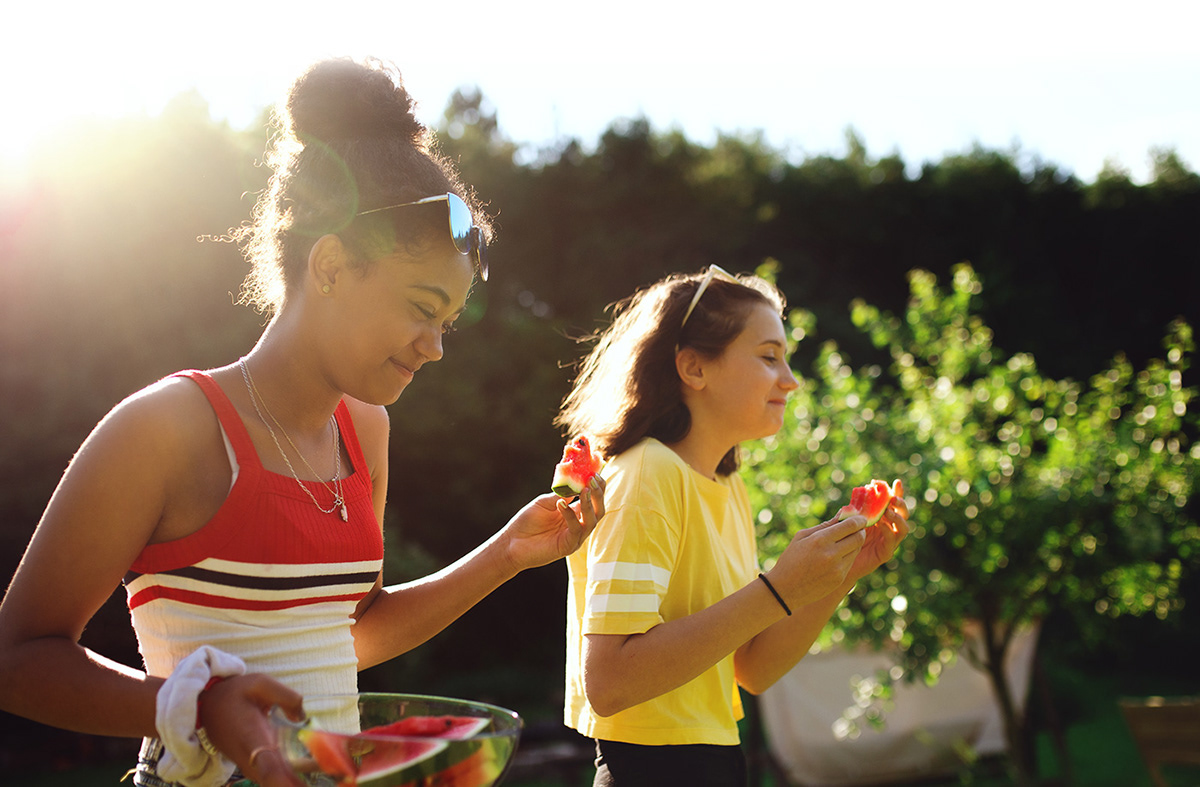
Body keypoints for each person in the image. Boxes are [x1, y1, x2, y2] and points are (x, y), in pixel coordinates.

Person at [0, 57, 604, 787]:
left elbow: (349, 632)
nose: (437, 347)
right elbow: (19, 656)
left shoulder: (367, 429)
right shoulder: (168, 429)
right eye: (421, 308)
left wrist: (507, 552)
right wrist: (195, 705)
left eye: (448, 321)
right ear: (330, 266)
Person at [554, 265, 909, 786]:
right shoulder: (647, 473)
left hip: (717, 761)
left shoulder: (726, 487)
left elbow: (752, 669)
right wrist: (779, 586)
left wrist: (840, 575)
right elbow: (609, 681)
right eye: (769, 357)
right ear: (694, 367)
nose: (790, 380)